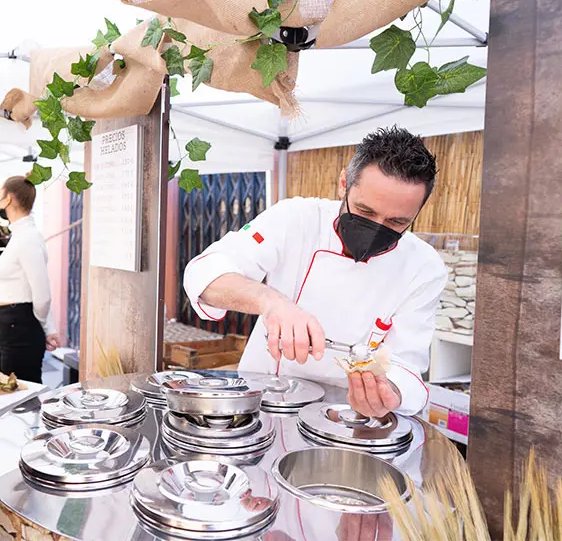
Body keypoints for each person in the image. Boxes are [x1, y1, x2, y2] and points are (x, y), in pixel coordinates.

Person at [183, 126, 447, 418]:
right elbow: (204, 274)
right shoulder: (296, 219)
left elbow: (408, 365)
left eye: (397, 222)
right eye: (365, 212)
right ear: (343, 184)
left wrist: (390, 393)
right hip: (264, 403)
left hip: (347, 418)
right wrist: (272, 303)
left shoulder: (424, 266)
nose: (376, 228)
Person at [0, 176, 59, 383]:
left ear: (9, 199)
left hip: (19, 325)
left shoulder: (28, 238)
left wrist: (44, 327)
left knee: (19, 396)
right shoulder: (20, 236)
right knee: (4, 390)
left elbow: (42, 295)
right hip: (9, 323)